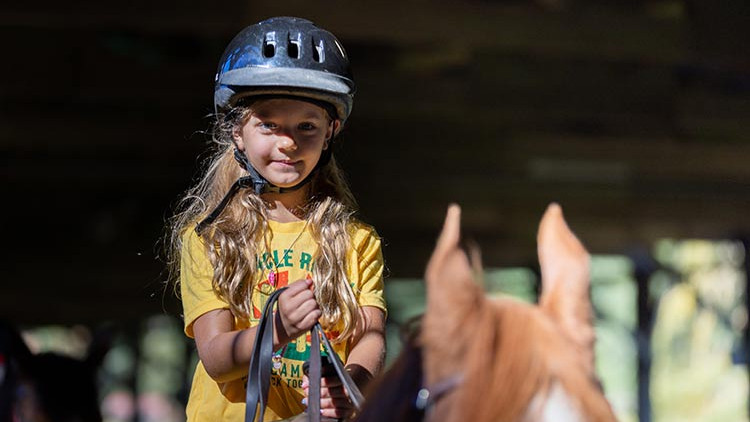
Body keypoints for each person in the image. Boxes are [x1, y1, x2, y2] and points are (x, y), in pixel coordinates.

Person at [166, 17, 387, 421]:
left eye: (307, 126)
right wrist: (276, 329)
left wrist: (350, 381)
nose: (287, 142)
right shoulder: (206, 239)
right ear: (237, 132)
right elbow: (216, 358)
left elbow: (370, 340)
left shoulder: (357, 241)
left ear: (331, 131)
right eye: (268, 124)